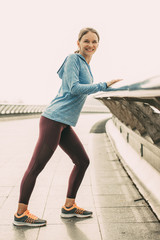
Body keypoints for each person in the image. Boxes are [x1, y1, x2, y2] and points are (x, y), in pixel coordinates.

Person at [13, 27, 122, 227]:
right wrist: (103, 85)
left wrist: (107, 87)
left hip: (64, 123)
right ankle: (21, 213)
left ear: (98, 45)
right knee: (36, 166)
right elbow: (73, 88)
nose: (90, 45)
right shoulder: (73, 59)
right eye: (86, 41)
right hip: (53, 119)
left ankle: (69, 206)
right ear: (78, 43)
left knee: (82, 161)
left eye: (94, 42)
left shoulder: (86, 65)